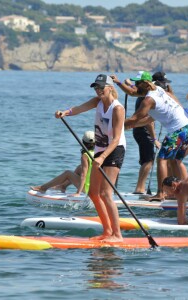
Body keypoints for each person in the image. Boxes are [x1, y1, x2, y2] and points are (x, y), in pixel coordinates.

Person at [55, 74, 126, 243]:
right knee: (93, 193)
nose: (98, 90)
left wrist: (102, 158)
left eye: (101, 87)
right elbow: (79, 108)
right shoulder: (98, 102)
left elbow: (116, 139)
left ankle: (118, 235)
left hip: (114, 150)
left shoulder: (118, 109)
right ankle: (107, 231)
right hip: (100, 150)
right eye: (96, 88)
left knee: (106, 193)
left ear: (110, 88)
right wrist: (65, 113)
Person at [124, 71, 188, 201]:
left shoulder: (148, 100)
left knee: (161, 160)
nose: (135, 85)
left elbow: (135, 117)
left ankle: (161, 193)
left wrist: (117, 125)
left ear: (145, 84)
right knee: (174, 161)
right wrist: (129, 125)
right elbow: (147, 119)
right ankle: (180, 192)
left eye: (137, 83)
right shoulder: (158, 89)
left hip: (177, 129)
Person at [31, 131, 95, 196]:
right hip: (95, 187)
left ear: (82, 142)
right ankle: (63, 186)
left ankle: (43, 188)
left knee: (68, 173)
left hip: (88, 189)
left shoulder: (85, 156)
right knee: (80, 168)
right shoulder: (97, 153)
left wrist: (78, 193)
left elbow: (83, 175)